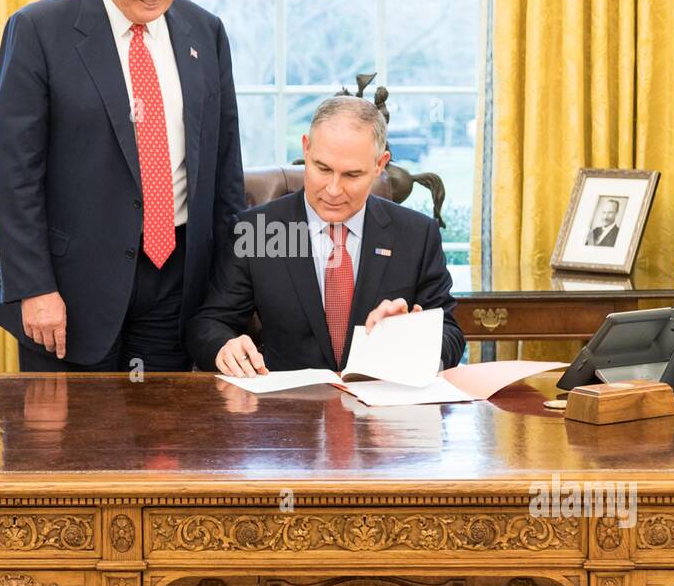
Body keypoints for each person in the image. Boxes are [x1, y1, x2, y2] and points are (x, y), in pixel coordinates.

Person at [0, 0, 245, 371]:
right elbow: (12, 174)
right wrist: (34, 286)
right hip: (70, 287)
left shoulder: (204, 32)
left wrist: (225, 288)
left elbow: (225, 162)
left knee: (164, 440)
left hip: (176, 281)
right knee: (71, 443)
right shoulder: (39, 31)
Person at [187, 96, 465, 376]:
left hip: (382, 409)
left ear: (380, 164)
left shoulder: (416, 235)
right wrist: (224, 346)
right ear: (306, 149)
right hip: (288, 409)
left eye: (351, 175)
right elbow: (209, 323)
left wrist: (415, 339)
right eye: (323, 169)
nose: (333, 189)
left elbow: (451, 335)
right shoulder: (258, 231)